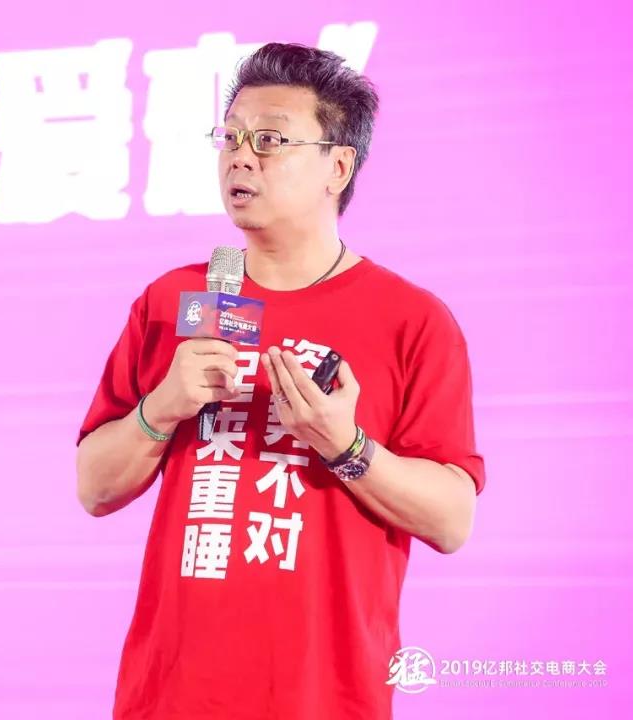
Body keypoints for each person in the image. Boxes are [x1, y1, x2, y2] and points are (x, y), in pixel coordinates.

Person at [75, 42, 485, 720]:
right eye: (230, 137)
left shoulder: (412, 321)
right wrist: (162, 407)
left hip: (324, 697)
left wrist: (345, 445)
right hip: (170, 695)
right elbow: (94, 486)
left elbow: (451, 520)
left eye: (269, 140)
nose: (240, 158)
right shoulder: (172, 300)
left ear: (338, 166)